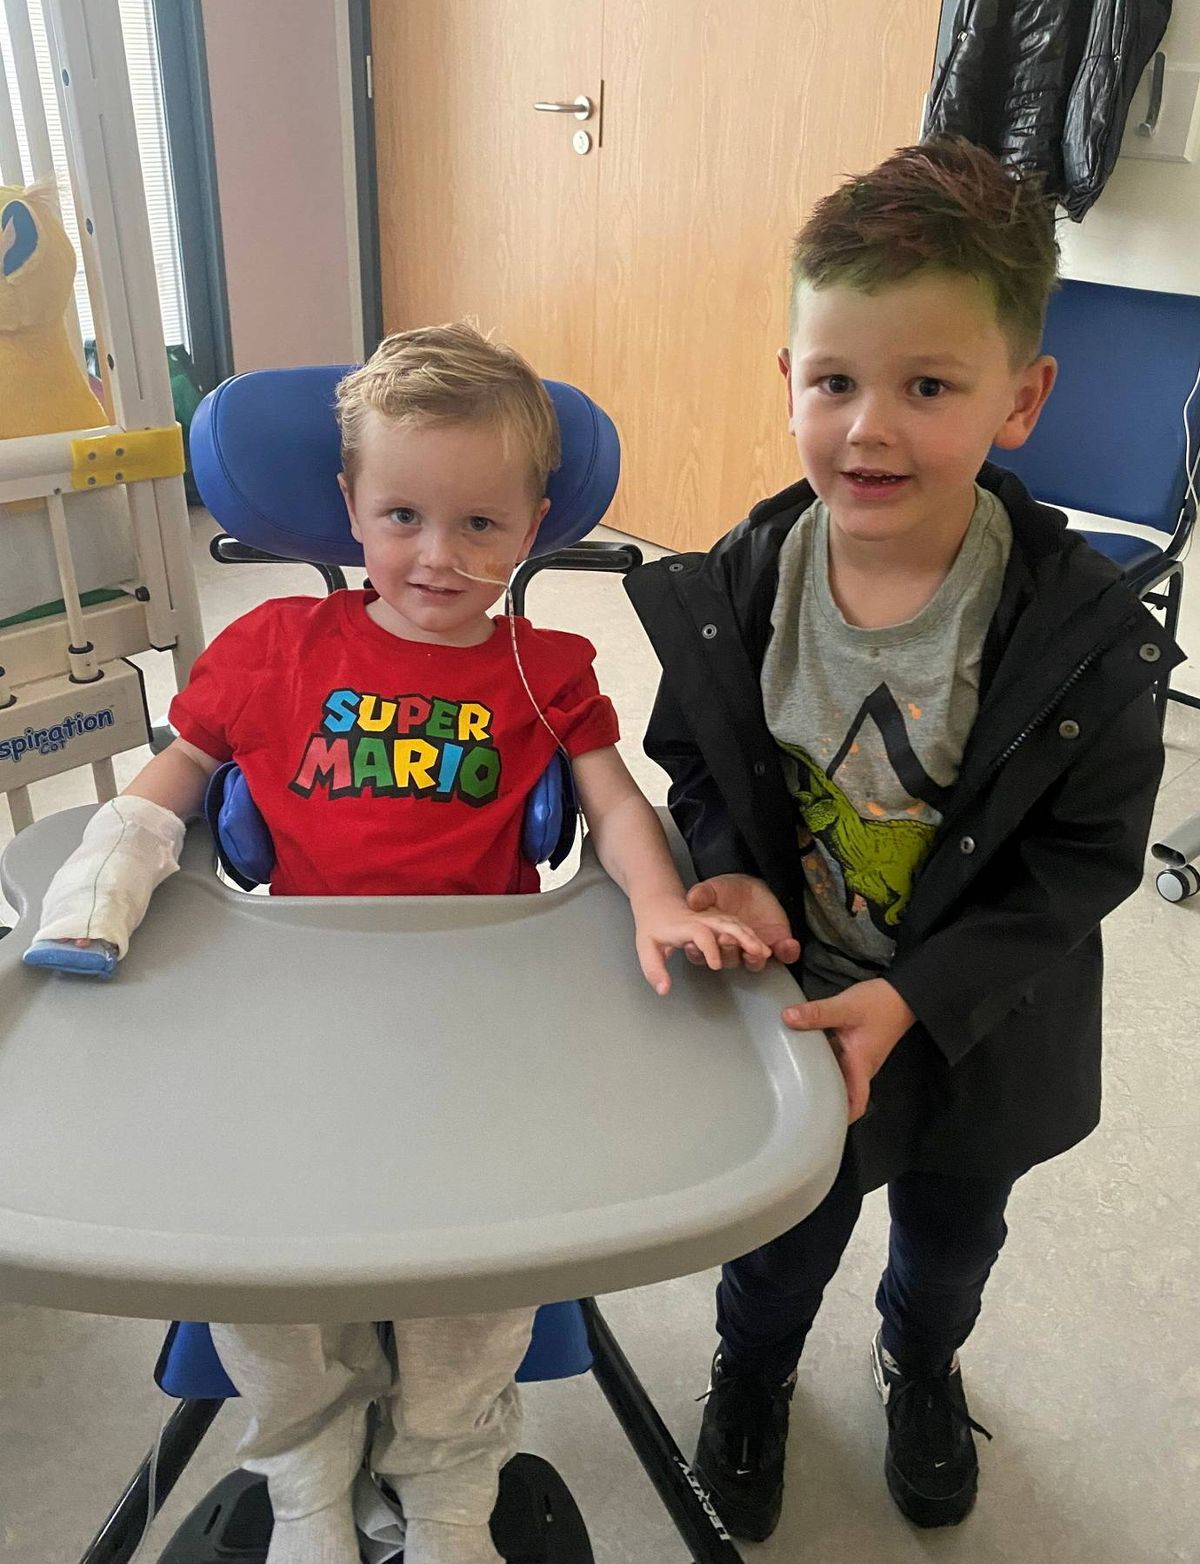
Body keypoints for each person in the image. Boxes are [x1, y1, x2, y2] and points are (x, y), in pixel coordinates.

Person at [25, 323, 770, 1564]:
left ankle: (448, 1483)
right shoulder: (270, 649)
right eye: (404, 515)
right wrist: (106, 877)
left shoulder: (546, 668)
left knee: (480, 1264)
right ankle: (308, 1479)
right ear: (348, 510)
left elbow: (617, 800)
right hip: (293, 1003)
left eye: (481, 525)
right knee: (254, 1249)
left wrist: (652, 901)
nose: (439, 554)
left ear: (534, 523)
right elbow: (175, 775)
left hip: (476, 1015)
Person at [625, 136, 1181, 1539]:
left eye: (928, 388)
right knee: (780, 1240)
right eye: (836, 383)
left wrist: (918, 996)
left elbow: (1082, 862)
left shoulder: (1084, 639)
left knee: (951, 1240)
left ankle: (922, 1367)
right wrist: (725, 864)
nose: (870, 430)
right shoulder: (739, 585)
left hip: (977, 1020)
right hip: (801, 1008)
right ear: (791, 384)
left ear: (1021, 399)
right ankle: (751, 1376)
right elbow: (692, 753)